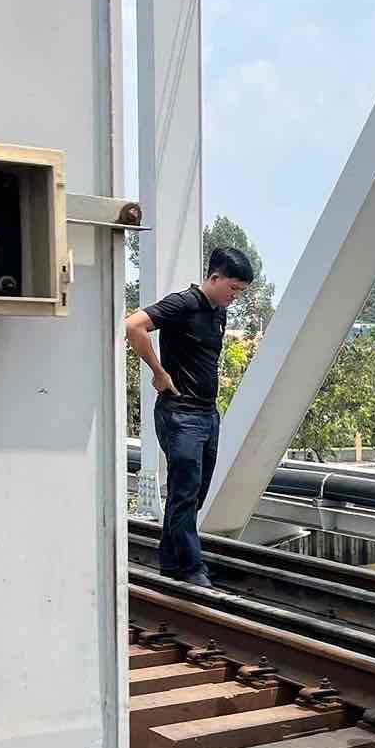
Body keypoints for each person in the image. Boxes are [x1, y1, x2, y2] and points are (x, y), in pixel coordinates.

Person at [125, 246, 254, 586]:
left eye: (240, 291)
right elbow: (134, 326)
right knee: (184, 492)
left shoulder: (218, 314)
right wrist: (158, 372)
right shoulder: (183, 303)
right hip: (180, 415)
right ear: (214, 277)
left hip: (208, 415)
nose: (235, 297)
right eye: (233, 288)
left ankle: (172, 563)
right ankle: (193, 569)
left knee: (194, 495)